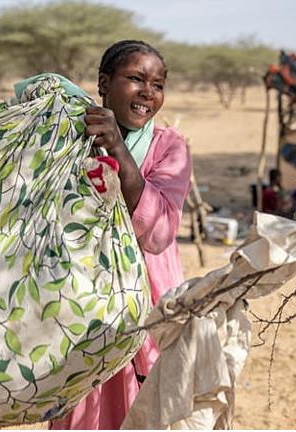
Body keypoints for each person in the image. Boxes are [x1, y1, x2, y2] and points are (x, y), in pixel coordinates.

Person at [50, 40, 192, 430]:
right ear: (103, 82)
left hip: (145, 312)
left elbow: (159, 230)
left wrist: (116, 146)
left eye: (158, 84)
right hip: (79, 311)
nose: (148, 92)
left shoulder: (169, 147)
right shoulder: (70, 140)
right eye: (135, 79)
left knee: (143, 412)